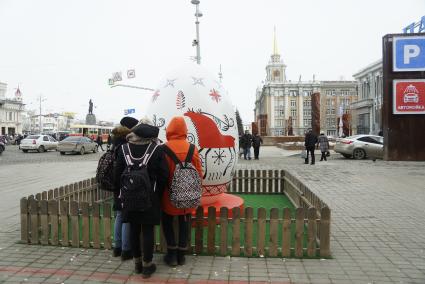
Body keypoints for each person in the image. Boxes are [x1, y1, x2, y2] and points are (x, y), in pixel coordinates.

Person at [114, 121, 168, 278]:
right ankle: (147, 265)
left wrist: (119, 195)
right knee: (148, 230)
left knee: (133, 228)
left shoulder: (123, 148)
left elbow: (117, 175)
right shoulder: (156, 149)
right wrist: (156, 194)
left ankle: (137, 264)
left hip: (128, 196)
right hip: (149, 197)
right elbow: (163, 175)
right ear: (150, 136)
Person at [161, 117, 203, 267]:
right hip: (188, 194)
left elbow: (161, 174)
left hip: (168, 195)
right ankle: (181, 255)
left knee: (166, 221)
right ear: (185, 130)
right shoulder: (193, 148)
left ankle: (171, 254)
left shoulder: (163, 148)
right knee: (184, 221)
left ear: (169, 130)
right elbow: (199, 173)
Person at [111, 117, 139, 261]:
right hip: (125, 184)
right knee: (126, 217)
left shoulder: (115, 141)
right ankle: (126, 250)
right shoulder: (126, 144)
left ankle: (117, 247)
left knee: (119, 216)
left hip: (117, 184)